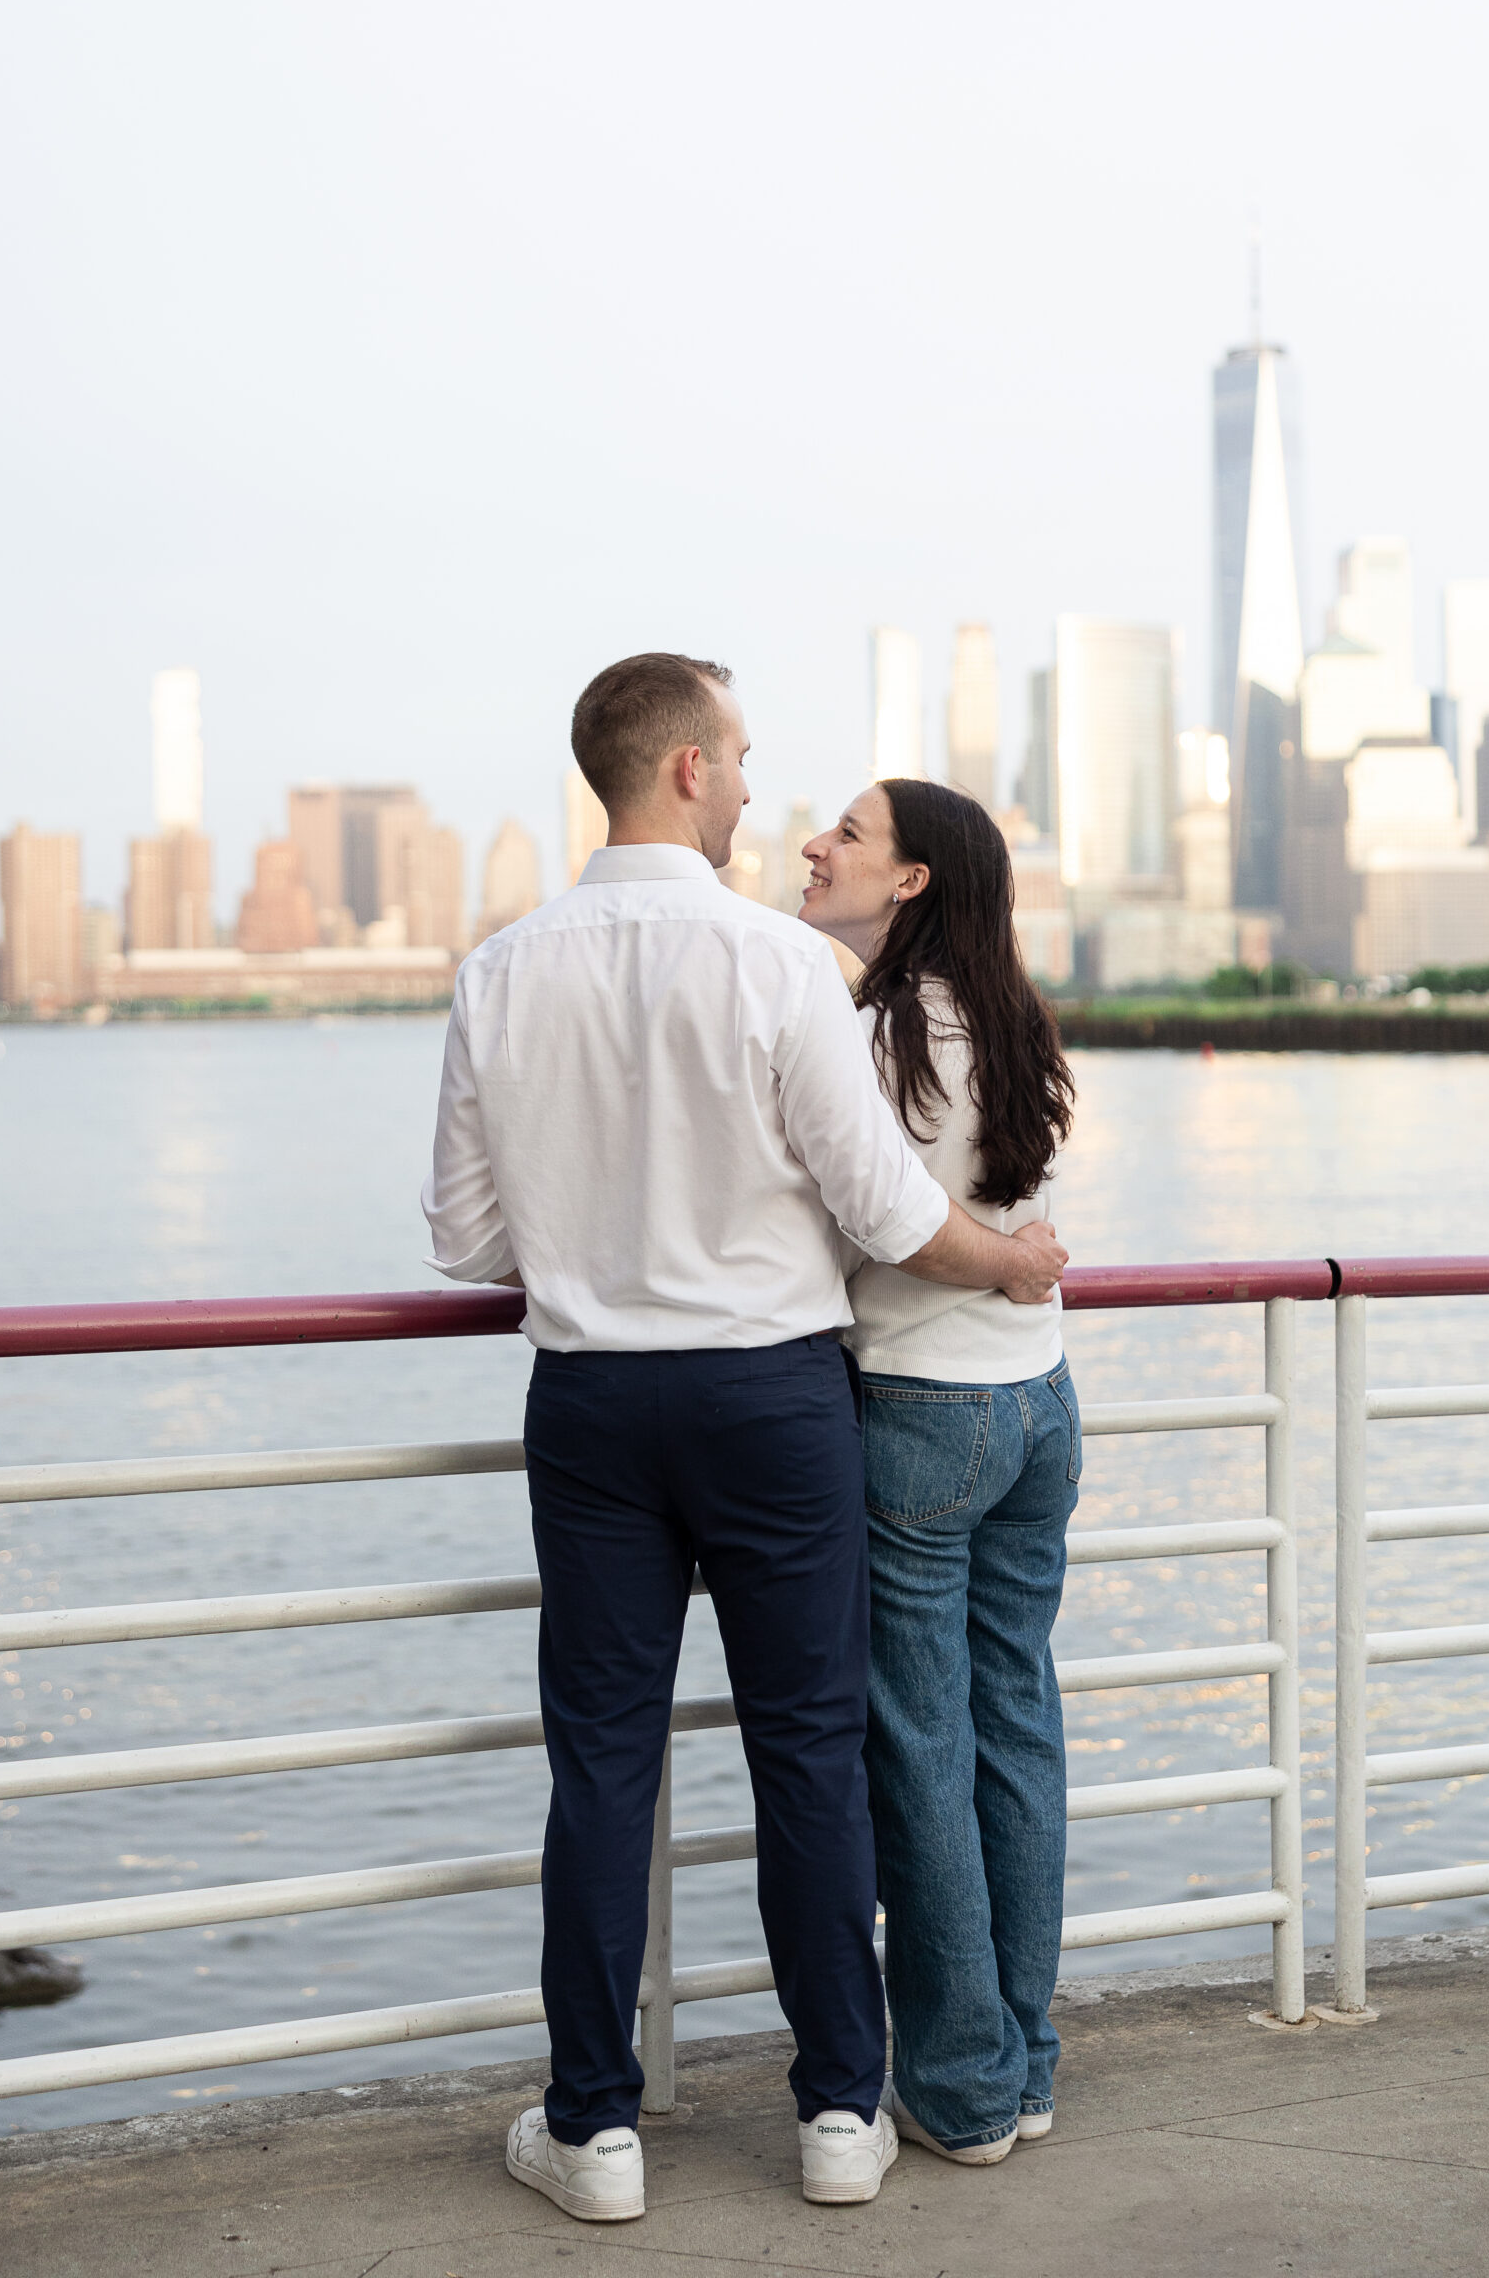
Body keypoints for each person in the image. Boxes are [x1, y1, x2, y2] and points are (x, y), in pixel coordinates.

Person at [422, 655, 1068, 2226]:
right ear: (690, 770)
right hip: (775, 1401)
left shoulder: (499, 971)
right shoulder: (782, 966)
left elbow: (464, 1241)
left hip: (592, 1402)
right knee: (810, 1754)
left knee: (602, 1765)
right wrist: (1008, 1261)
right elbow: (884, 1209)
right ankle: (840, 2112)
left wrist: (597, 1237)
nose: (762, 790)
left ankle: (595, 2132)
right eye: (747, 757)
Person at [799, 777, 1078, 2168]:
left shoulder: (868, 1035)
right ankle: (1023, 2068)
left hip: (920, 1409)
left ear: (910, 881)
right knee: (1015, 1725)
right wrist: (1014, 1262)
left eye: (849, 834)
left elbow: (879, 1224)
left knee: (920, 1750)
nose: (817, 844)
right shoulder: (1016, 1019)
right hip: (1039, 1404)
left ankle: (963, 2094)